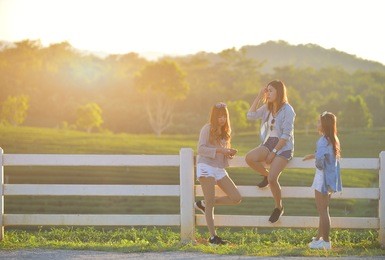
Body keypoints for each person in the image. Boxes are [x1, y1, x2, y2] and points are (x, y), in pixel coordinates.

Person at [245, 80, 295, 223]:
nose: (268, 93)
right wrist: (259, 96)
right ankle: (265, 175)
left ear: (279, 92)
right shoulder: (267, 107)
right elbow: (251, 115)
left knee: (273, 179)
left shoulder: (288, 110)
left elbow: (286, 135)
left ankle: (278, 207)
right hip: (268, 143)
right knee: (249, 158)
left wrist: (274, 152)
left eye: (271, 90)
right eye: (267, 90)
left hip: (283, 146)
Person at [194, 102, 242, 245]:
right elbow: (201, 149)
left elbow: (222, 152)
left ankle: (203, 204)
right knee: (211, 202)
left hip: (219, 168)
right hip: (206, 167)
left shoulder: (226, 132)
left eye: (224, 116)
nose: (222, 119)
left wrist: (229, 153)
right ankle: (213, 237)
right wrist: (222, 151)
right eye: (219, 116)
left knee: (236, 197)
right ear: (214, 116)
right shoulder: (207, 128)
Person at [303, 111, 342, 250]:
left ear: (324, 125)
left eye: (319, 122)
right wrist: (312, 155)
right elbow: (326, 155)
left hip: (322, 178)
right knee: (324, 209)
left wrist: (317, 161)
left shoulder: (322, 140)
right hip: (330, 179)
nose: (317, 124)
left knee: (322, 210)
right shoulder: (333, 139)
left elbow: (320, 160)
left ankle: (325, 241)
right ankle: (319, 238)